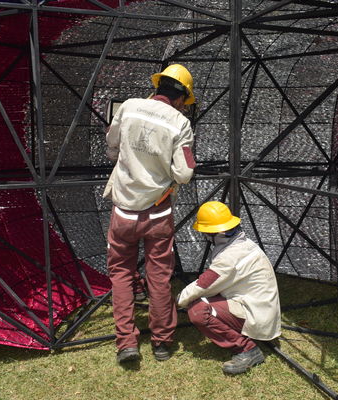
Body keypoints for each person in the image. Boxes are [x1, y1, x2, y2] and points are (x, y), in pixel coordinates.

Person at [103, 64, 196, 364]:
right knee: (158, 277)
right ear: (182, 97)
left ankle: (127, 344)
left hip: (124, 214)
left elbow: (112, 145)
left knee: (121, 275)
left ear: (158, 87)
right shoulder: (180, 123)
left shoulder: (128, 108)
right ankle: (162, 343)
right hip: (157, 215)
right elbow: (184, 174)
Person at [176, 201, 281, 374]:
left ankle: (247, 349)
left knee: (198, 311)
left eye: (205, 232)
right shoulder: (241, 243)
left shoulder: (230, 257)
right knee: (199, 301)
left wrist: (178, 299)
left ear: (214, 232)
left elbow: (204, 285)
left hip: (255, 313)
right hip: (256, 306)